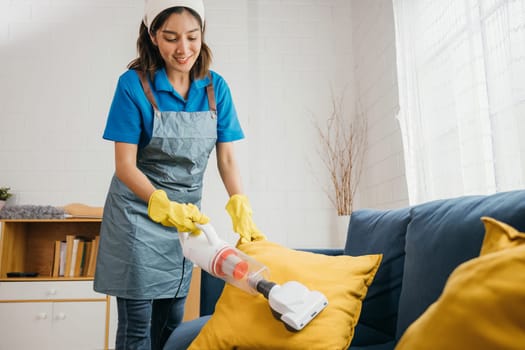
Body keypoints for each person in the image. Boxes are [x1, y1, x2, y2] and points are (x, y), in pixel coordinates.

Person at [93, 1, 266, 349]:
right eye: (171, 38)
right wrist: (160, 201)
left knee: (171, 323)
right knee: (138, 326)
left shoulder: (215, 88)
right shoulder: (133, 84)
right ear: (154, 36)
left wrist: (240, 205)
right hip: (137, 217)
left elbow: (227, 158)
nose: (183, 49)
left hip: (186, 224)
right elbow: (125, 165)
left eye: (192, 37)